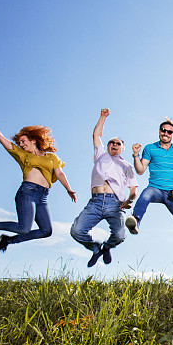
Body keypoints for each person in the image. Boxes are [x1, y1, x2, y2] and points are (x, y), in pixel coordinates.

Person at [0, 113, 76, 255]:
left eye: (24, 141)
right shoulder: (22, 155)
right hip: (27, 193)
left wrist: (69, 189)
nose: (22, 145)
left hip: (43, 197)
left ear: (33, 140)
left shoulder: (51, 157)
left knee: (46, 231)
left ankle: (8, 241)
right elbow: (0, 138)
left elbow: (59, 173)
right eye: (20, 143)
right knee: (24, 228)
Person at [69, 109, 138, 267]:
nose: (114, 145)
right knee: (77, 231)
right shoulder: (100, 155)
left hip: (115, 204)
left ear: (122, 148)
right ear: (107, 147)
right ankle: (95, 247)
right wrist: (103, 117)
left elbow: (133, 189)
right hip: (95, 202)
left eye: (118, 143)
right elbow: (96, 135)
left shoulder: (127, 166)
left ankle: (107, 247)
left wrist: (129, 200)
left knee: (120, 235)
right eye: (111, 143)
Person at [125, 119, 173, 234]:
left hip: (171, 192)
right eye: (163, 130)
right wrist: (135, 155)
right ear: (159, 131)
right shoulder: (150, 148)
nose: (165, 133)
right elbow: (140, 171)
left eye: (169, 132)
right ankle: (136, 221)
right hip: (155, 188)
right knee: (145, 194)